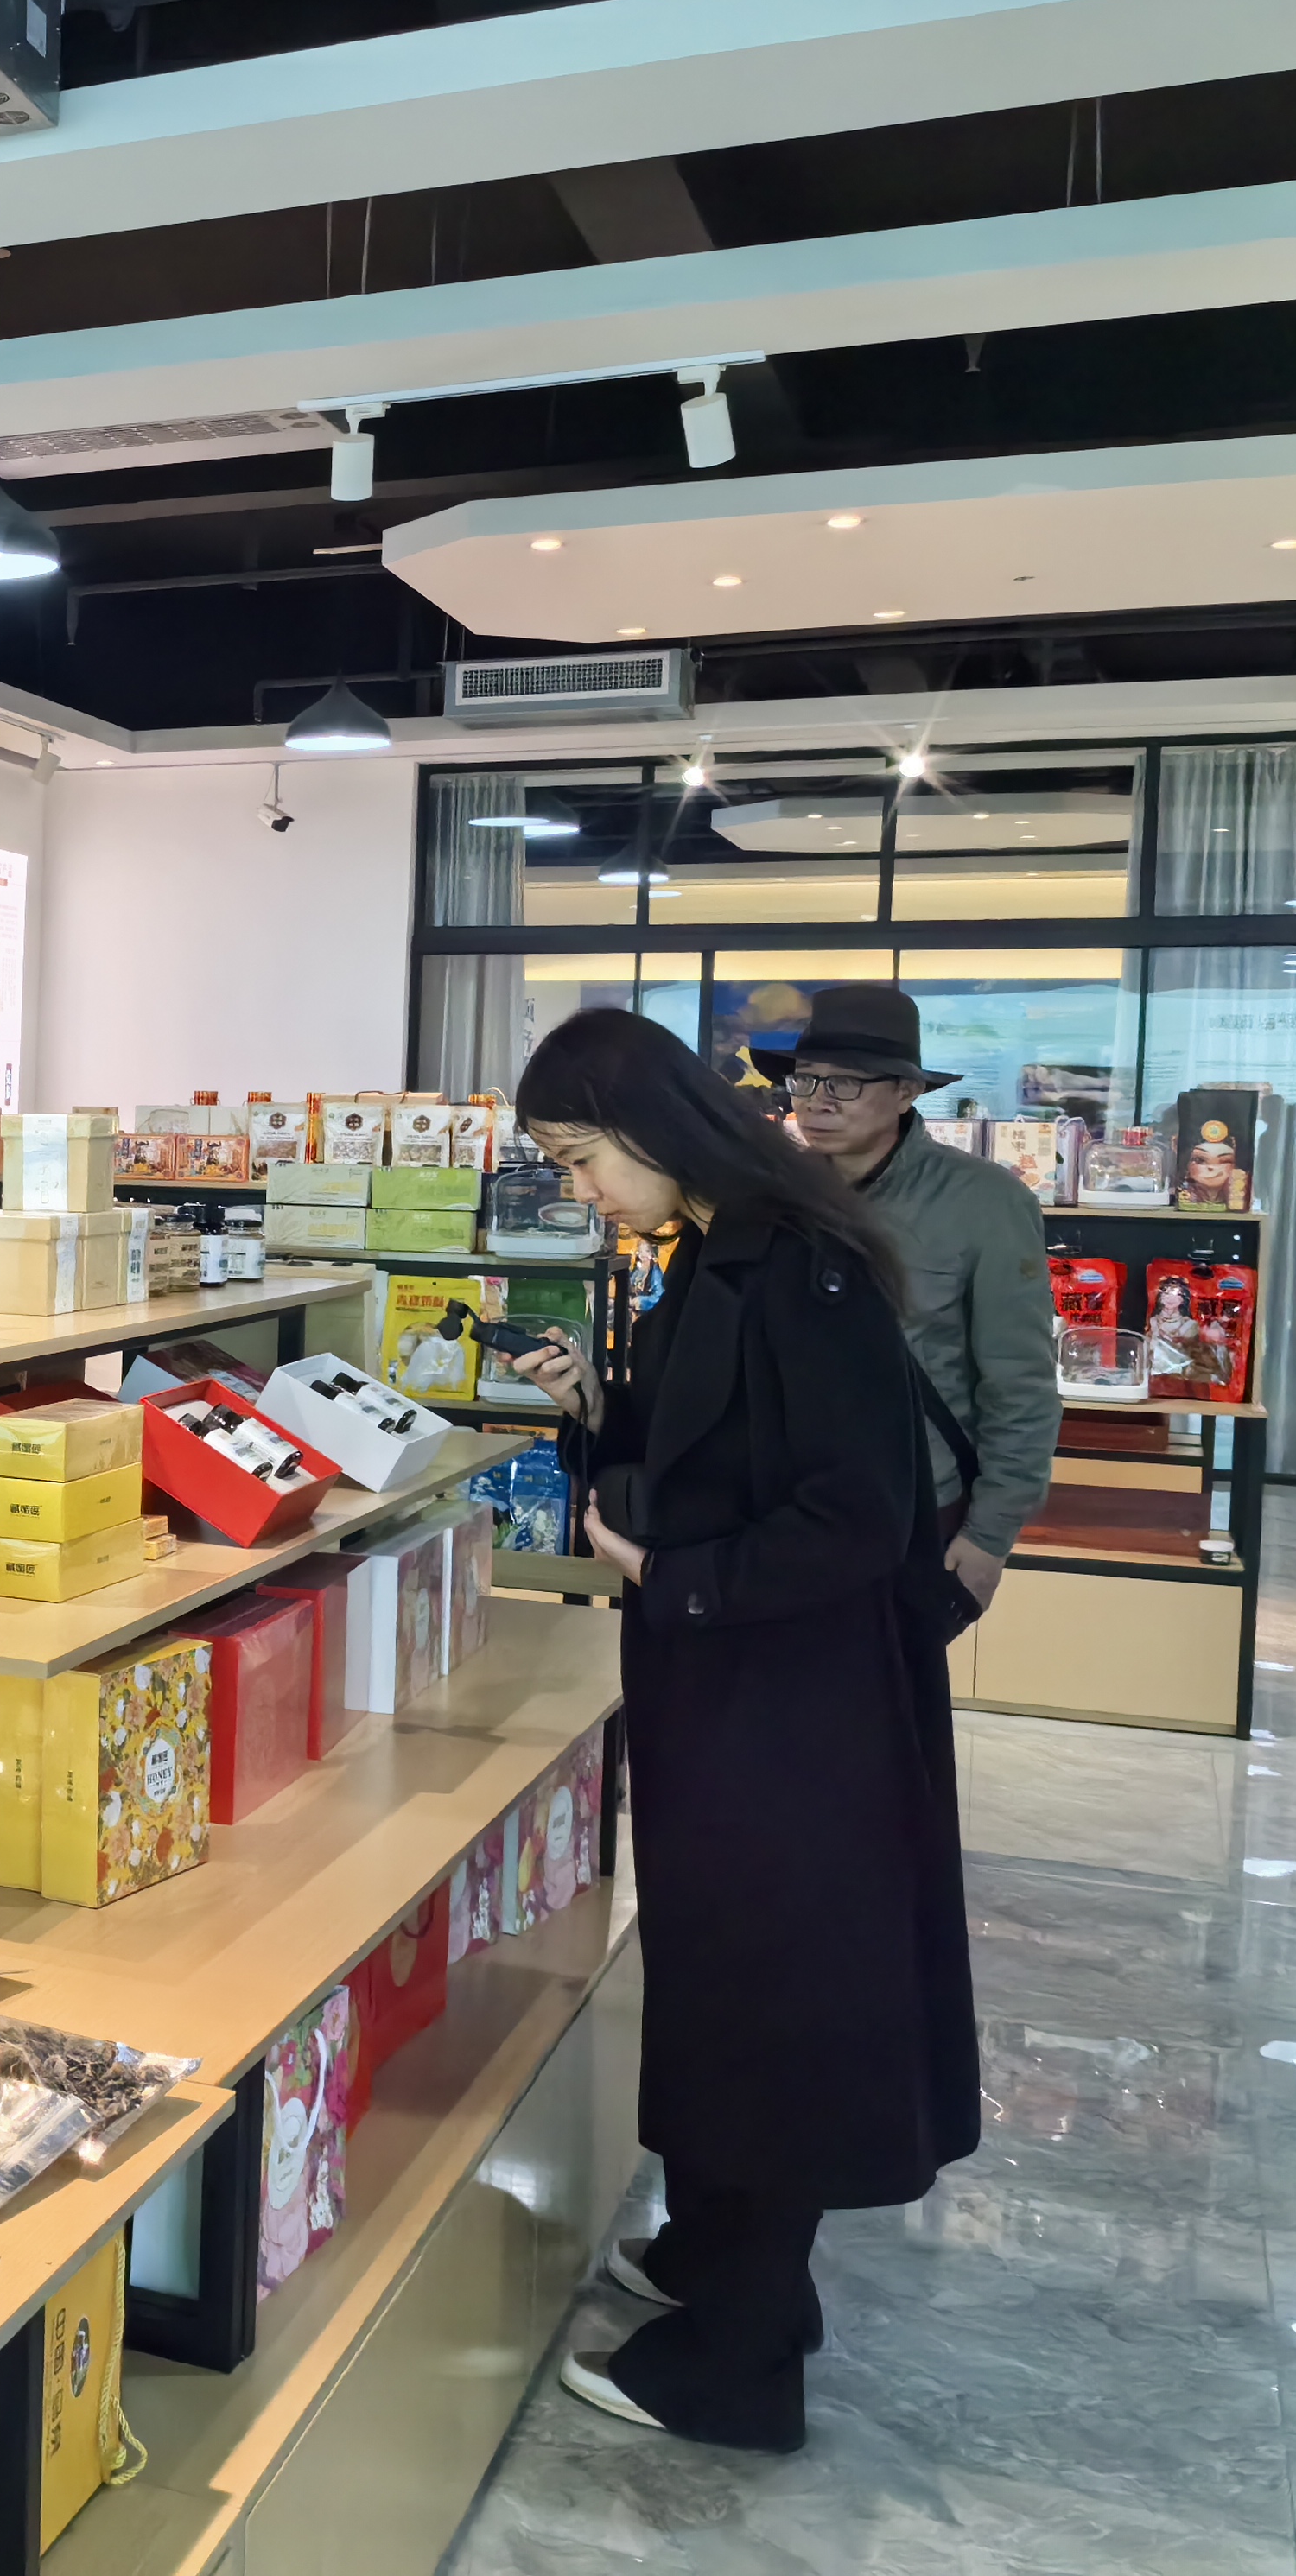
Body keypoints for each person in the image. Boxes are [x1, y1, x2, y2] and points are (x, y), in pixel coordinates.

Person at [506, 1007, 977, 2456]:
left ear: (649, 1126)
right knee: (725, 1976)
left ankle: (742, 2363)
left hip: (799, 1708)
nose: (580, 1188)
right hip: (731, 1692)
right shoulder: (714, 1253)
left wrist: (676, 1573)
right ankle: (719, 2258)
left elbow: (853, 1520)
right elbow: (700, 1463)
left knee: (777, 1997)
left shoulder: (800, 1269)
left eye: (580, 1156)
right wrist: (593, 1415)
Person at [751, 982, 1057, 1613]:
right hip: (784, 1504)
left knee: (898, 1672)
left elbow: (1019, 1384)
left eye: (846, 1083)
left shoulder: (984, 1202)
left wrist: (990, 1535)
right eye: (805, 1080)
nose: (817, 1101)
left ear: (906, 1091)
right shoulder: (776, 1198)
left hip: (920, 1506)